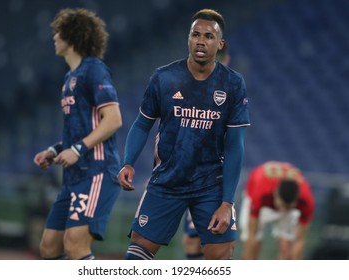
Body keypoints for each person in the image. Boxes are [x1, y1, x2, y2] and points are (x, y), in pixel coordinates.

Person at [118, 9, 250, 260]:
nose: (201, 40)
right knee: (137, 253)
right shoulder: (164, 77)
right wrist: (128, 161)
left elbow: (235, 146)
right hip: (168, 180)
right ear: (188, 39)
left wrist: (227, 203)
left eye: (209, 36)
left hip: (211, 184)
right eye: (195, 34)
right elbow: (142, 124)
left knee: (222, 255)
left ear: (219, 43)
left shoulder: (233, 83)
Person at [33, 8, 122, 260]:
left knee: (75, 245)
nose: (54, 37)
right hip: (73, 177)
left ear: (71, 35)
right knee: (49, 247)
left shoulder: (95, 70)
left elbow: (114, 119)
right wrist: (54, 151)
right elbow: (80, 131)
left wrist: (77, 149)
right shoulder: (70, 77)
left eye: (58, 32)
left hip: (97, 172)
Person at [182, 41, 231, 260]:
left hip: (211, 177)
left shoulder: (230, 89)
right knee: (194, 239)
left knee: (215, 242)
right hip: (187, 173)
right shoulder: (187, 85)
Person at [239, 161, 315, 259]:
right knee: (254, 243)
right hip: (259, 197)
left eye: (287, 207)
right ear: (275, 194)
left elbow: (299, 240)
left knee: (287, 248)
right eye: (281, 205)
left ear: (296, 201)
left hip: (279, 202)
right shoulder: (260, 192)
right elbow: (252, 234)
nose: (282, 210)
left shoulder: (306, 200)